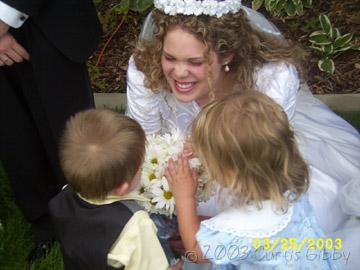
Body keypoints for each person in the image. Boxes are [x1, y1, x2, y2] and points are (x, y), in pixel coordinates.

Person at [125, 0, 360, 268]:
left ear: (227, 55)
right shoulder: (290, 200)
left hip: (243, 162)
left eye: (195, 61)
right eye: (170, 58)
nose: (179, 72)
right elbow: (144, 139)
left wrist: (189, 209)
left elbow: (195, 252)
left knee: (324, 200)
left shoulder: (273, 77)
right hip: (234, 173)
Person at [165, 91, 343, 269]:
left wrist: (184, 198)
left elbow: (196, 252)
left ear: (232, 172)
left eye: (209, 159)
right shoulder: (290, 187)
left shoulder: (243, 225)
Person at [0, 0, 101, 260]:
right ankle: (44, 223)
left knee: (68, 130)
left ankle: (91, 217)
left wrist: (3, 19)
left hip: (48, 19)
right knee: (13, 132)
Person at [49, 109, 183, 270]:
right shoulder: (135, 225)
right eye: (140, 168)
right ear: (122, 188)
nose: (142, 170)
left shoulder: (63, 197)